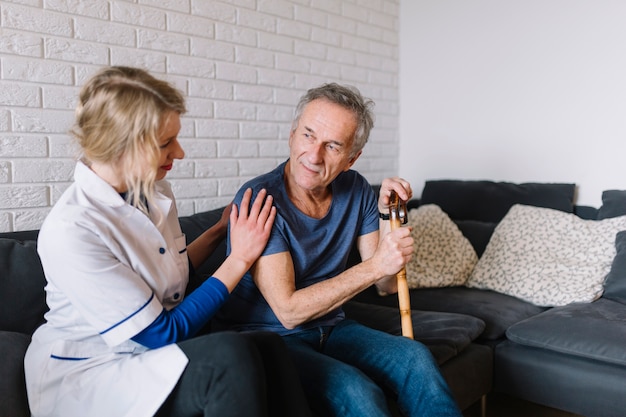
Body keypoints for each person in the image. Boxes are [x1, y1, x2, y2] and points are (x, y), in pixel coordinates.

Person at [24, 66, 311, 417]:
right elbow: (161, 331)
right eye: (165, 144)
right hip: (91, 373)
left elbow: (168, 271)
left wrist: (219, 231)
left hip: (144, 353)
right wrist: (239, 258)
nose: (179, 153)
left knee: (268, 346)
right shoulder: (72, 230)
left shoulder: (152, 190)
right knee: (228, 357)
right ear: (121, 148)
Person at [213, 83, 463, 417]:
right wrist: (376, 265)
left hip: (332, 327)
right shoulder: (260, 199)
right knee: (358, 391)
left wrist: (388, 214)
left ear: (351, 159)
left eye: (332, 146)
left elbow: (386, 285)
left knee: (416, 358)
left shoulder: (356, 189)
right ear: (292, 134)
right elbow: (289, 312)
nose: (313, 156)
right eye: (308, 135)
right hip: (271, 339)